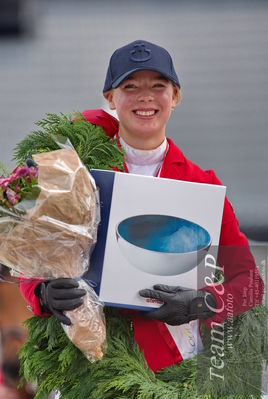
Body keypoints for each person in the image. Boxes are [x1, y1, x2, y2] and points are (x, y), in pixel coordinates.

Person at [19, 39, 264, 372]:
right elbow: (33, 257)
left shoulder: (201, 185)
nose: (145, 97)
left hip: (172, 366)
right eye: (130, 86)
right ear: (111, 98)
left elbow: (249, 281)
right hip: (88, 361)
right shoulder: (77, 172)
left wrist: (202, 302)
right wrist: (43, 293)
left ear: (175, 97)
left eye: (158, 86)